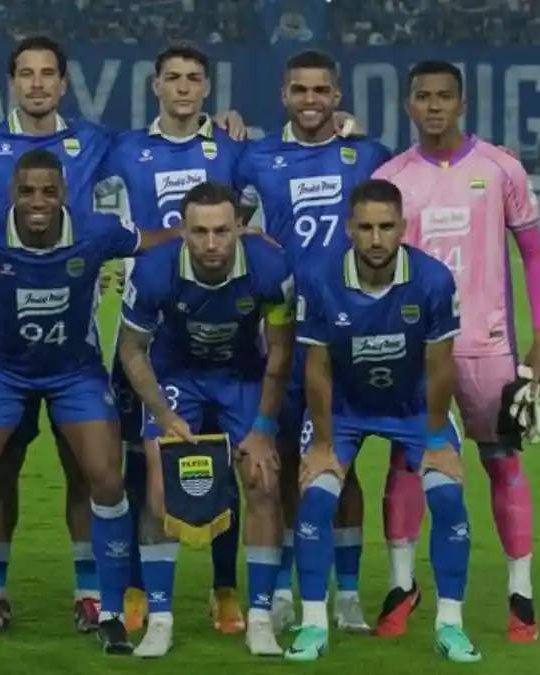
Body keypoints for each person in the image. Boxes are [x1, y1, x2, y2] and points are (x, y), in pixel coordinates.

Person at [0, 148, 181, 655]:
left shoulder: (97, 231)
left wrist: (206, 233)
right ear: (11, 194)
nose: (37, 201)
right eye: (26, 191)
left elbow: (150, 240)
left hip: (75, 372)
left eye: (48, 191)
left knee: (105, 479)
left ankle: (105, 608)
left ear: (64, 193)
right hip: (2, 370)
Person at [373, 59, 540, 643]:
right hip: (415, 351)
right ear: (407, 105)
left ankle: (520, 594)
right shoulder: (392, 177)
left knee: (501, 461)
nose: (433, 106)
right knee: (407, 464)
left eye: (444, 96)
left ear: (462, 103)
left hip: (488, 347)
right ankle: (402, 587)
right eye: (422, 96)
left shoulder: (500, 169)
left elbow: (534, 255)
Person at [285, 178, 480, 663]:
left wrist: (436, 439)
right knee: (316, 498)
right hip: (344, 409)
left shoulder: (433, 280)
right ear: (349, 228)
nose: (376, 239)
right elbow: (316, 367)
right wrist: (322, 444)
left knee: (447, 496)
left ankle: (450, 625)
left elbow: (441, 367)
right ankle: (313, 624)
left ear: (403, 227)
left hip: (414, 408)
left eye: (386, 227)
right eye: (366, 227)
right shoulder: (319, 278)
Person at [236, 48, 392, 633]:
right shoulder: (257, 158)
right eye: (299, 90)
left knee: (341, 467)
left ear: (337, 96)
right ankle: (279, 590)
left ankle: (346, 594)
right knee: (278, 467)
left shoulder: (367, 155)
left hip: (348, 336)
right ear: (283, 95)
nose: (310, 100)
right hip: (281, 337)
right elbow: (230, 222)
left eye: (320, 90)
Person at [97, 42, 249, 635]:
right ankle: (138, 584)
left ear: (207, 87)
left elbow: (254, 215)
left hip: (220, 328)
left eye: (193, 78)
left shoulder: (232, 149)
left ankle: (224, 587)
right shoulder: (123, 149)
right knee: (143, 460)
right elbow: (78, 191)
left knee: (225, 461)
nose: (183, 87)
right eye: (173, 78)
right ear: (155, 85)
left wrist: (344, 124)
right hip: (146, 327)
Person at [115, 182, 294, 657]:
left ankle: (260, 619)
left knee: (262, 481)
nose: (211, 244)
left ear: (240, 228)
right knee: (160, 488)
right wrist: (162, 413)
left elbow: (281, 350)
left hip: (241, 377)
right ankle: (160, 620)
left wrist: (263, 429)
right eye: (199, 232)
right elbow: (131, 350)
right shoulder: (154, 271)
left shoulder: (270, 269)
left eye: (221, 231)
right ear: (182, 231)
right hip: (177, 377)